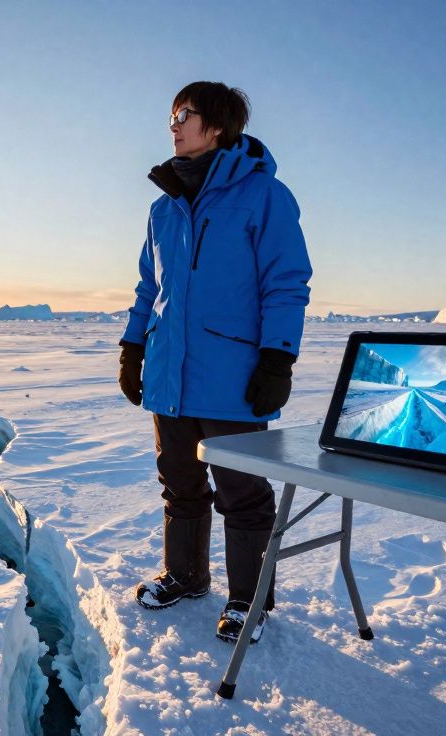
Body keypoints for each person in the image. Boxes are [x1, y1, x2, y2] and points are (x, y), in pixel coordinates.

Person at [118, 81, 312, 644]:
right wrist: (134, 348)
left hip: (231, 379)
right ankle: (186, 575)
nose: (173, 125)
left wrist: (278, 357)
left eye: (184, 114)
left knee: (243, 495)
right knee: (179, 485)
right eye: (170, 116)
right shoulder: (162, 208)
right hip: (168, 375)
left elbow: (286, 281)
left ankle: (249, 601)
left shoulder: (263, 196)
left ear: (219, 126)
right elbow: (147, 288)